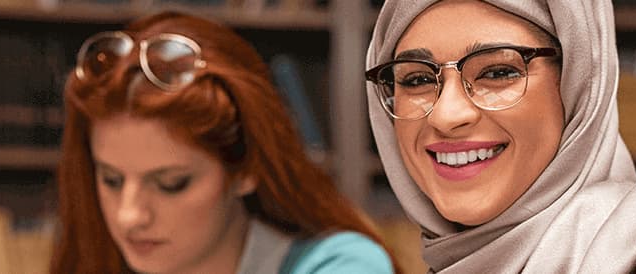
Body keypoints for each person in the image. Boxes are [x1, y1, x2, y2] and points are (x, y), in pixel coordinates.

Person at [363, 1, 636, 273]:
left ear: (578, 82)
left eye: (497, 72)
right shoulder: (451, 262)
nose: (447, 115)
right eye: (416, 79)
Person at [50, 12, 396, 274]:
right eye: (111, 179)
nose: (129, 216)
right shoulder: (96, 261)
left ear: (245, 168)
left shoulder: (343, 265)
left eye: (172, 184)